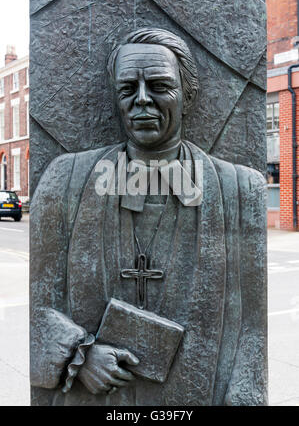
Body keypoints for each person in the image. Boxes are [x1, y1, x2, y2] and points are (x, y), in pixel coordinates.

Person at [30, 28, 267, 406]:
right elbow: (38, 304)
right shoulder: (66, 180)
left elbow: (255, 329)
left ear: (186, 95)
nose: (142, 100)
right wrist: (78, 355)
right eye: (127, 88)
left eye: (158, 85)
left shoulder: (241, 191)